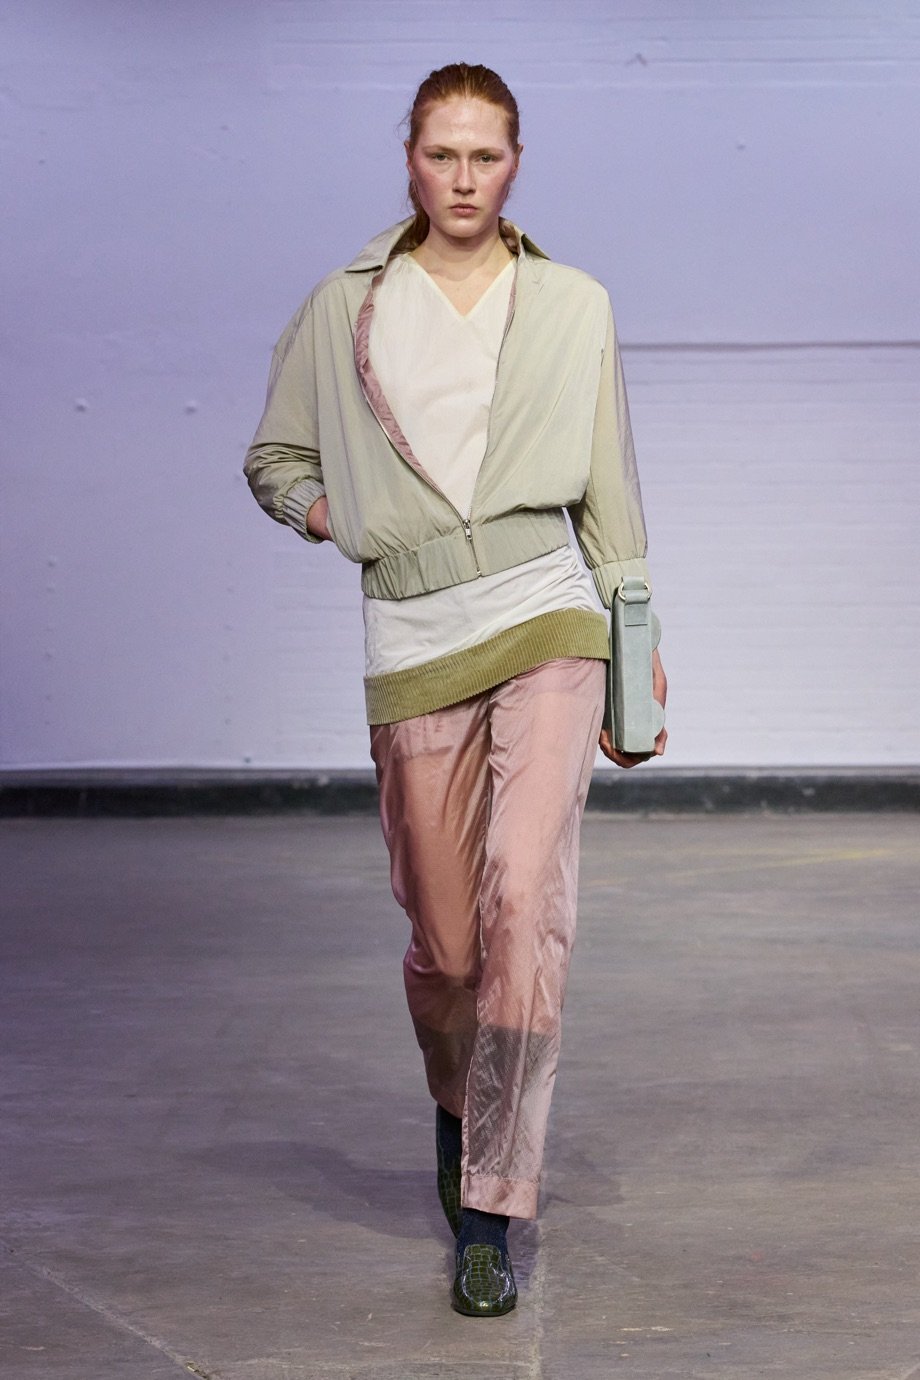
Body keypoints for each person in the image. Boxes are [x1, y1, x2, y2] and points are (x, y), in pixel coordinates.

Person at [243, 61, 667, 1317]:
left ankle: (491, 1207)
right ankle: (457, 1097)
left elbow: (608, 482)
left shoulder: (572, 303)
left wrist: (633, 631)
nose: (464, 178)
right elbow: (274, 456)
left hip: (545, 614)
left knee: (525, 902)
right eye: (443, 155)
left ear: (515, 163)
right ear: (410, 161)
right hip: (413, 635)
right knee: (445, 946)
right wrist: (336, 516)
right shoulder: (345, 306)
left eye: (486, 156)